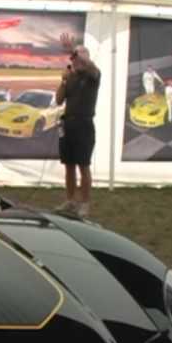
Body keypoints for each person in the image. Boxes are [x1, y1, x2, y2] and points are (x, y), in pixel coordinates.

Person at [55, 33, 101, 217]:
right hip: (68, 125)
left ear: (86, 58)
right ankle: (70, 201)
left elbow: (89, 66)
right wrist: (63, 80)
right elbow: (58, 100)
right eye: (75, 57)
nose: (76, 60)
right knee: (69, 165)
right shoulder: (71, 77)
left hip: (84, 124)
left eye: (80, 56)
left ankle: (84, 203)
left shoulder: (93, 75)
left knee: (84, 165)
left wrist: (73, 51)